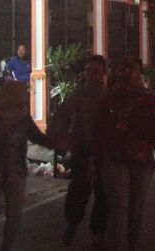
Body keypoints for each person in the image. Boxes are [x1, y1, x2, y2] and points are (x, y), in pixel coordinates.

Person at [0, 82, 67, 251]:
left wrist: (56, 143)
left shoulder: (22, 116)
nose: (25, 97)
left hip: (15, 172)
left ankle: (6, 248)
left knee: (15, 215)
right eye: (22, 93)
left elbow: (36, 136)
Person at [95, 57, 155, 251]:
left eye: (137, 71)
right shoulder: (109, 100)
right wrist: (95, 160)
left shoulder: (147, 98)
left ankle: (131, 243)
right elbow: (99, 132)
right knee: (118, 208)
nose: (137, 75)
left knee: (136, 208)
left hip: (142, 157)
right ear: (123, 73)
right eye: (133, 71)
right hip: (115, 158)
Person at [55, 54, 108, 248]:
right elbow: (62, 114)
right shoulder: (79, 94)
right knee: (78, 190)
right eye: (88, 71)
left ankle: (98, 233)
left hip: (105, 152)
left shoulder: (108, 95)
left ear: (104, 73)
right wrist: (64, 136)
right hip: (82, 150)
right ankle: (72, 223)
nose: (91, 75)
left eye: (96, 71)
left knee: (103, 194)